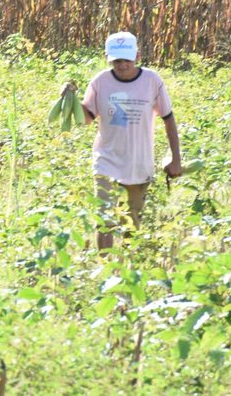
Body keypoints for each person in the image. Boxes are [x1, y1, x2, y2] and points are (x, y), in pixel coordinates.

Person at [75, 31, 182, 250]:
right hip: (106, 160)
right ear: (108, 58)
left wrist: (176, 159)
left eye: (126, 59)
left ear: (137, 56)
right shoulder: (100, 82)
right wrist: (70, 101)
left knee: (131, 223)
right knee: (105, 220)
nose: (122, 65)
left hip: (138, 162)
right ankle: (103, 269)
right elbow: (86, 119)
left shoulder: (152, 81)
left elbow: (168, 119)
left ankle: (128, 271)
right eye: (116, 60)